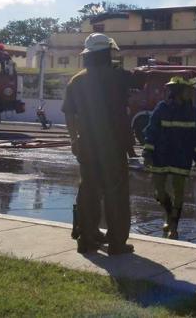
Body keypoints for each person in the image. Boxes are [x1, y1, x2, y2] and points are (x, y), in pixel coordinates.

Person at [63, 33, 136, 255]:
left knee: (88, 191)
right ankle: (116, 243)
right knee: (116, 194)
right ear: (106, 53)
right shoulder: (118, 77)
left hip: (87, 145)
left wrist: (74, 139)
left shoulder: (76, 80)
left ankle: (87, 239)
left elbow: (69, 115)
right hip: (113, 146)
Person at [143, 76, 196, 240]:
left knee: (179, 192)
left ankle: (174, 226)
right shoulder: (161, 108)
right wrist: (147, 153)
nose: (190, 93)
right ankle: (169, 215)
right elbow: (151, 131)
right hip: (160, 156)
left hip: (181, 156)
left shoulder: (192, 111)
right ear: (178, 92)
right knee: (160, 192)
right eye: (187, 90)